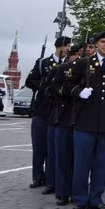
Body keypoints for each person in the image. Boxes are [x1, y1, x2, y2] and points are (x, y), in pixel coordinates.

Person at [69, 30, 105, 209]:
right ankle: (79, 199)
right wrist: (79, 92)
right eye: (103, 41)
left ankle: (96, 198)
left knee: (102, 164)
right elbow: (67, 85)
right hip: (85, 121)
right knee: (81, 164)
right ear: (96, 44)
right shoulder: (84, 64)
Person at [26, 36, 71, 193]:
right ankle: (38, 176)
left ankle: (53, 179)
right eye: (64, 46)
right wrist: (44, 86)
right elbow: (29, 81)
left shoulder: (69, 64)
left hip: (58, 110)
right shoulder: (43, 63)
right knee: (39, 146)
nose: (66, 49)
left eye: (68, 46)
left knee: (55, 148)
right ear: (57, 47)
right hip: (42, 108)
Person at [49, 43, 83, 205]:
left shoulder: (92, 69)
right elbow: (53, 87)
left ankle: (77, 192)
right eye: (76, 54)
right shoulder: (64, 68)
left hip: (83, 118)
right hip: (64, 115)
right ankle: (62, 192)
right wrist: (70, 91)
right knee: (63, 156)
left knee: (80, 159)